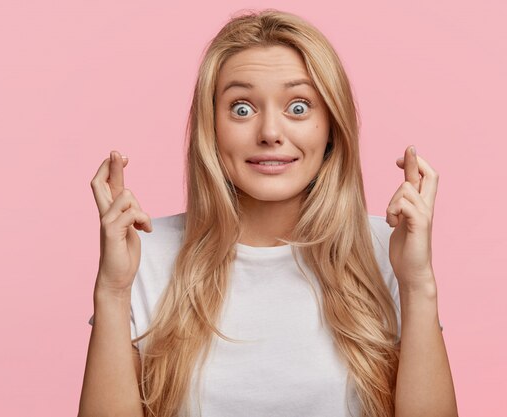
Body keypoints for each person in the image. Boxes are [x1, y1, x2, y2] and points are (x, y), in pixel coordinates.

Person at [78, 8, 458, 417]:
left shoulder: (390, 251)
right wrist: (113, 292)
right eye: (242, 109)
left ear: (331, 126)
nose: (270, 133)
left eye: (298, 107)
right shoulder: (144, 257)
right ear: (211, 127)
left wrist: (418, 285)